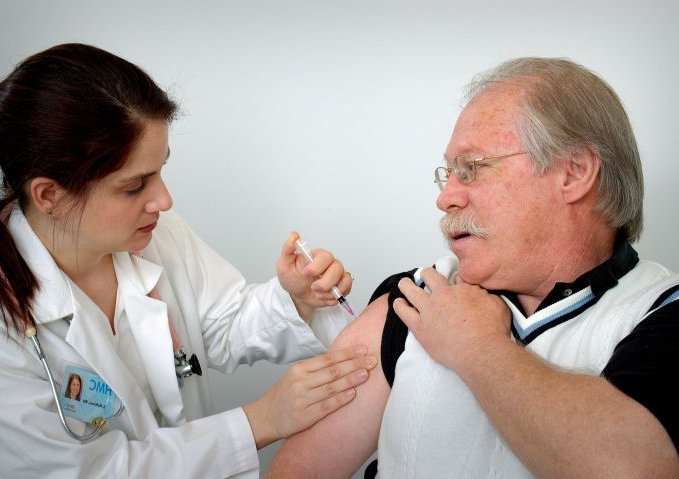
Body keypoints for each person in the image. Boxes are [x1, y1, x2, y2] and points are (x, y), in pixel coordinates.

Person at [267, 57, 679, 478]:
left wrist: (479, 349)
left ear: (573, 173)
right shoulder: (415, 297)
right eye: (448, 173)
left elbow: (633, 468)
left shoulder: (661, 311)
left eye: (472, 168)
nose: (445, 198)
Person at [0, 43, 377, 478]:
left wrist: (296, 298)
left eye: (161, 170)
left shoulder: (152, 232)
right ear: (50, 195)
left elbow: (223, 325)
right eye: (134, 185)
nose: (163, 199)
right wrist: (262, 419)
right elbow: (97, 472)